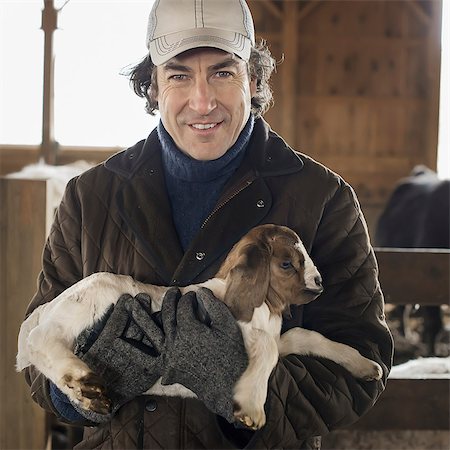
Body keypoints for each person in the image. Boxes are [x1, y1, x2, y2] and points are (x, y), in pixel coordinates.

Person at [22, 0, 393, 448]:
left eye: (223, 72)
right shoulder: (88, 198)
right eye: (179, 74)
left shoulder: (323, 199)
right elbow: (36, 358)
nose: (202, 101)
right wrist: (89, 380)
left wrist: (238, 388)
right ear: (153, 86)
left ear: (252, 79)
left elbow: (360, 367)